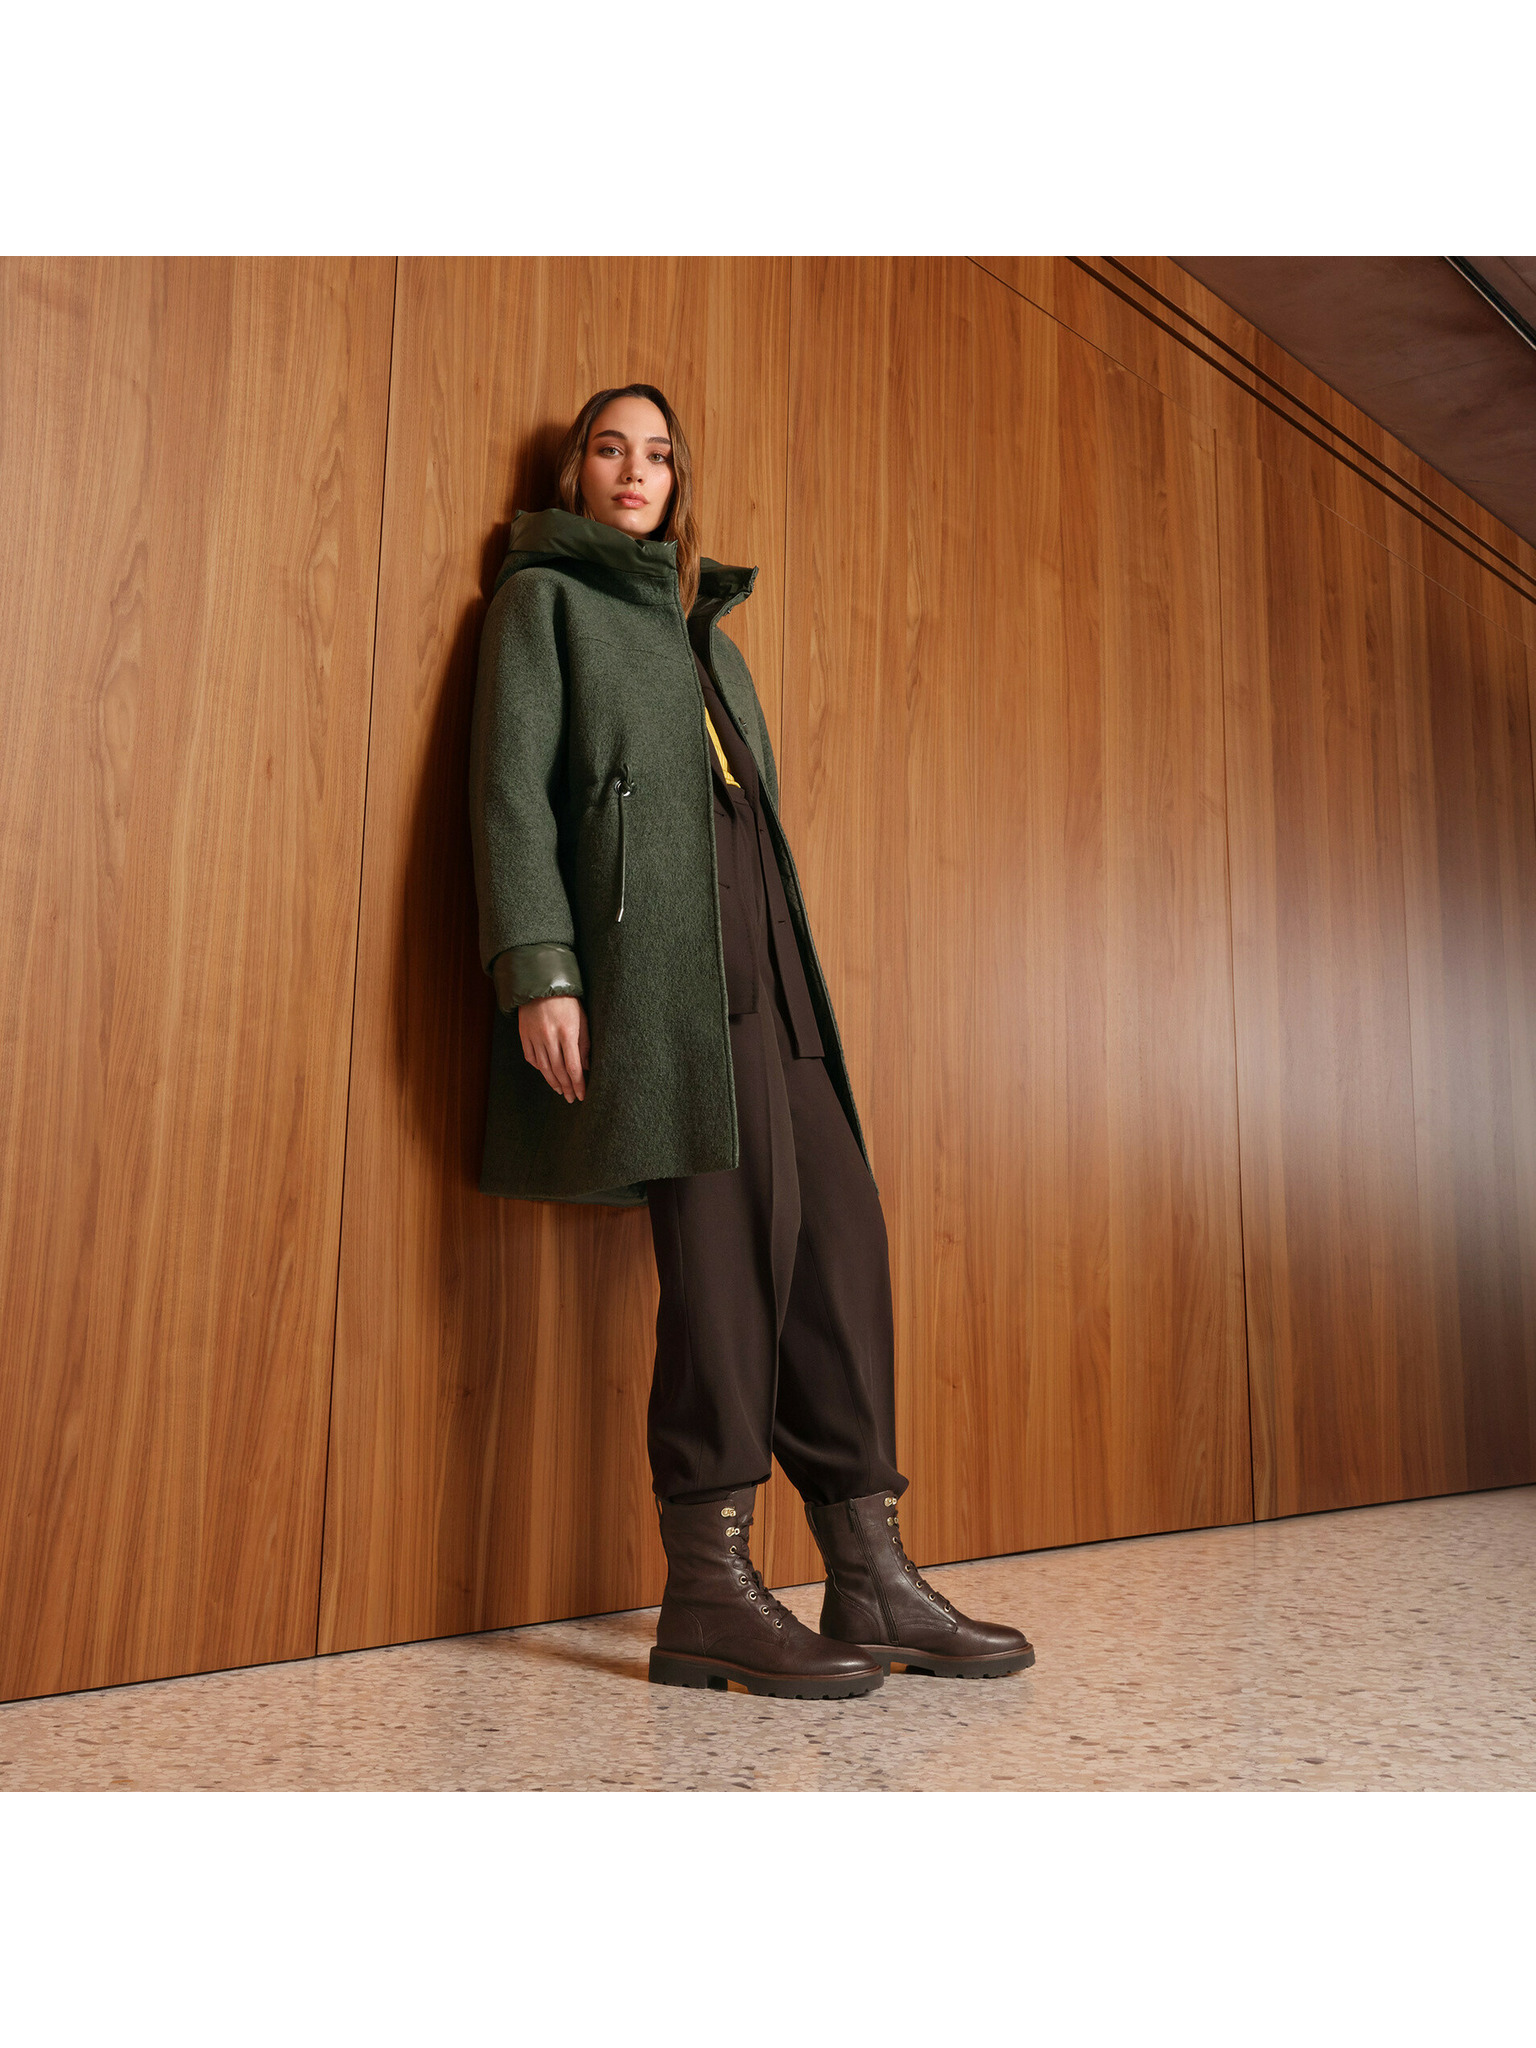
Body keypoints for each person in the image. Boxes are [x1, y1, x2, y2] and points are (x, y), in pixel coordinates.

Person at [468, 382, 1034, 1699]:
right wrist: (540, 970)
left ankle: (868, 1568)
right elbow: (509, 795)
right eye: (610, 448)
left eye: (658, 455)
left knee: (842, 1247)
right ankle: (710, 1592)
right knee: (724, 1275)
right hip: (661, 991)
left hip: (772, 982)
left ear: (680, 480)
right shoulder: (543, 605)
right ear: (575, 470)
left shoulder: (709, 640)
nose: (635, 470)